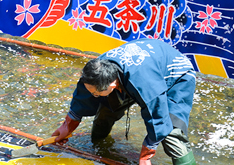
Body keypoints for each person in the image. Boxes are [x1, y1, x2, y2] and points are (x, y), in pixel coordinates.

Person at [52, 39, 197, 165]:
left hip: (176, 75)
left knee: (171, 132)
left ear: (112, 85)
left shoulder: (144, 83)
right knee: (105, 112)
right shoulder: (97, 70)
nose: (93, 96)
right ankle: (100, 151)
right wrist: (68, 127)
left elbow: (157, 116)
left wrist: (146, 155)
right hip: (139, 69)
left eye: (96, 93)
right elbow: (82, 96)